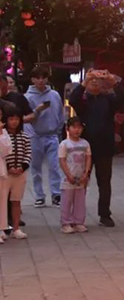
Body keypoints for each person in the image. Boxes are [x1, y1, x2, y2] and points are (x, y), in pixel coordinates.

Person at [69, 69, 124, 227]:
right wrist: (83, 82)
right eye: (91, 80)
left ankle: (105, 214)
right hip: (85, 148)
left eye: (97, 80)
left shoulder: (108, 100)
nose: (94, 82)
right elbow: (73, 99)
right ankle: (77, 215)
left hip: (104, 147)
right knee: (81, 182)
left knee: (105, 182)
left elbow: (122, 98)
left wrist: (112, 80)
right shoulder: (83, 101)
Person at [25, 65, 65, 208]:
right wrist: (37, 110)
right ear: (33, 80)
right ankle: (39, 195)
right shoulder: (28, 97)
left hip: (52, 135)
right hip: (35, 136)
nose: (41, 81)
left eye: (43, 78)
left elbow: (60, 113)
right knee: (36, 168)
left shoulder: (54, 95)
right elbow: (26, 117)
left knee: (54, 166)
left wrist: (58, 130)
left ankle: (56, 194)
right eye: (37, 78)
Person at [57, 117, 92, 234]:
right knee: (67, 201)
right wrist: (68, 174)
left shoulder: (85, 143)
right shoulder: (64, 144)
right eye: (74, 127)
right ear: (68, 129)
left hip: (81, 176)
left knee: (80, 201)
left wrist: (86, 172)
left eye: (79, 127)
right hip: (68, 178)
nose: (77, 130)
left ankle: (78, 222)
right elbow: (62, 160)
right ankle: (66, 222)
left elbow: (88, 158)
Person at [1, 106, 30, 240]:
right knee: (2, 201)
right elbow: (3, 154)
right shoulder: (3, 135)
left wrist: (22, 167)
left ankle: (16, 228)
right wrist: (9, 168)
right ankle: (2, 228)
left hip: (20, 173)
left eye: (17, 119)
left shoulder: (24, 136)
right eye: (11, 119)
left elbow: (28, 153)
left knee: (16, 201)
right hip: (6, 173)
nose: (14, 122)